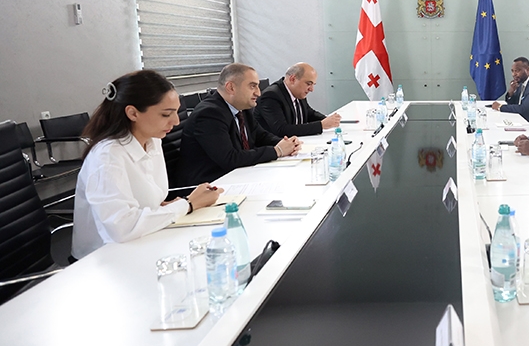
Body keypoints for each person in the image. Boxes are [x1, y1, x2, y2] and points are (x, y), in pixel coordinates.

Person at [72, 71, 222, 259]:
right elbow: (121, 228)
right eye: (166, 114)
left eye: (176, 112)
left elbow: (147, 202)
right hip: (105, 257)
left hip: (143, 242)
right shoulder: (108, 156)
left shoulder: (153, 141)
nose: (176, 121)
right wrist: (188, 204)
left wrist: (167, 208)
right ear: (133, 113)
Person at [179, 64, 301, 186]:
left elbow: (260, 136)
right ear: (231, 87)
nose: (258, 93)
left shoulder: (242, 108)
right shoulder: (209, 114)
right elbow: (230, 158)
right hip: (209, 185)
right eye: (252, 86)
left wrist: (286, 143)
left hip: (236, 176)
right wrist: (277, 151)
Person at [254, 62, 341, 137]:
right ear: (292, 79)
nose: (311, 89)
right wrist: (321, 125)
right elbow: (282, 130)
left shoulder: (297, 93)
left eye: (313, 85)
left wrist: (329, 120)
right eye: (308, 84)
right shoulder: (271, 96)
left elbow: (309, 114)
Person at [490, 56, 529, 125]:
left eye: (517, 71)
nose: (514, 74)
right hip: (524, 120)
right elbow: (514, 104)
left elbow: (523, 109)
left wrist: (500, 107)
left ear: (527, 69)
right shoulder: (522, 82)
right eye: (512, 71)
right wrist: (510, 93)